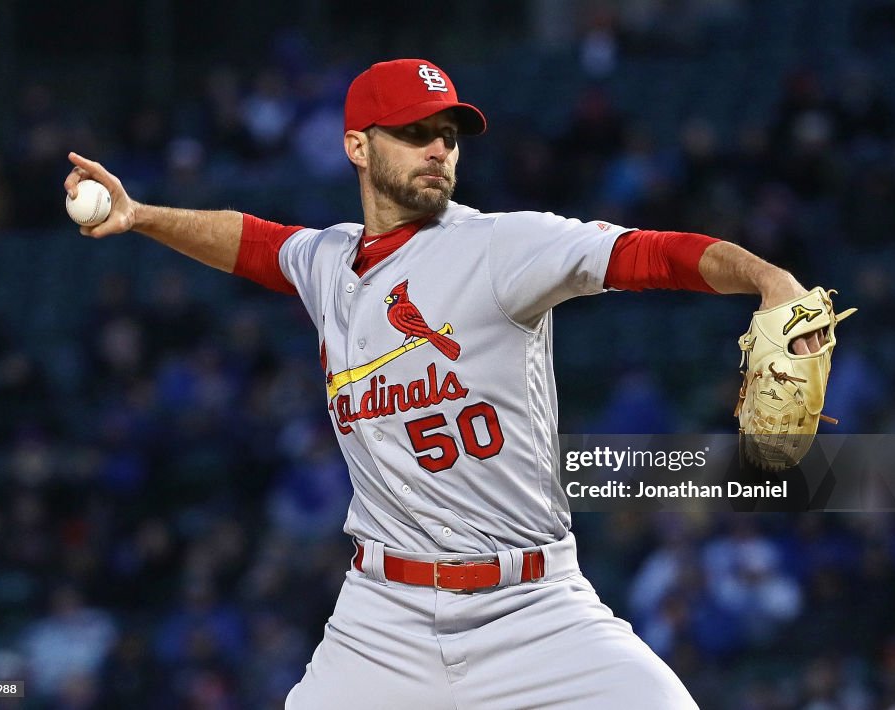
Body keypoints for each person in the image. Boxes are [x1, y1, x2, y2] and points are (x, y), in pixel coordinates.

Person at [65, 58, 828, 709]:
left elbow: (651, 253)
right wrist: (139, 215)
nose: (438, 149)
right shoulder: (327, 262)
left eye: (449, 135)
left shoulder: (502, 247)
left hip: (530, 606)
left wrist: (767, 277)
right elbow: (255, 244)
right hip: (381, 618)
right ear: (357, 146)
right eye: (415, 132)